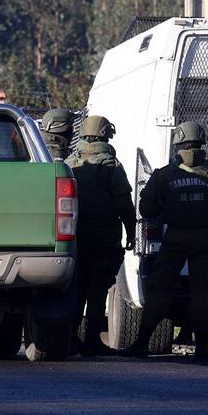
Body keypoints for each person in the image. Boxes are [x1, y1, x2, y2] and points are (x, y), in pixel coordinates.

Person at [125, 121, 208, 363]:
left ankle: (142, 344)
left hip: (175, 237)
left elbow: (146, 208)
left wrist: (164, 211)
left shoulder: (165, 174)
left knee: (159, 289)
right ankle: (201, 350)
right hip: (206, 239)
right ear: (202, 143)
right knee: (201, 294)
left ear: (178, 144)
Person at [65, 115, 136, 356]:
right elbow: (124, 203)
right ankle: (92, 340)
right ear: (106, 134)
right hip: (104, 237)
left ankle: (70, 338)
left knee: (76, 288)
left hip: (74, 237)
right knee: (97, 290)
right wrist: (132, 232)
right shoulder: (111, 166)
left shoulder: (70, 163)